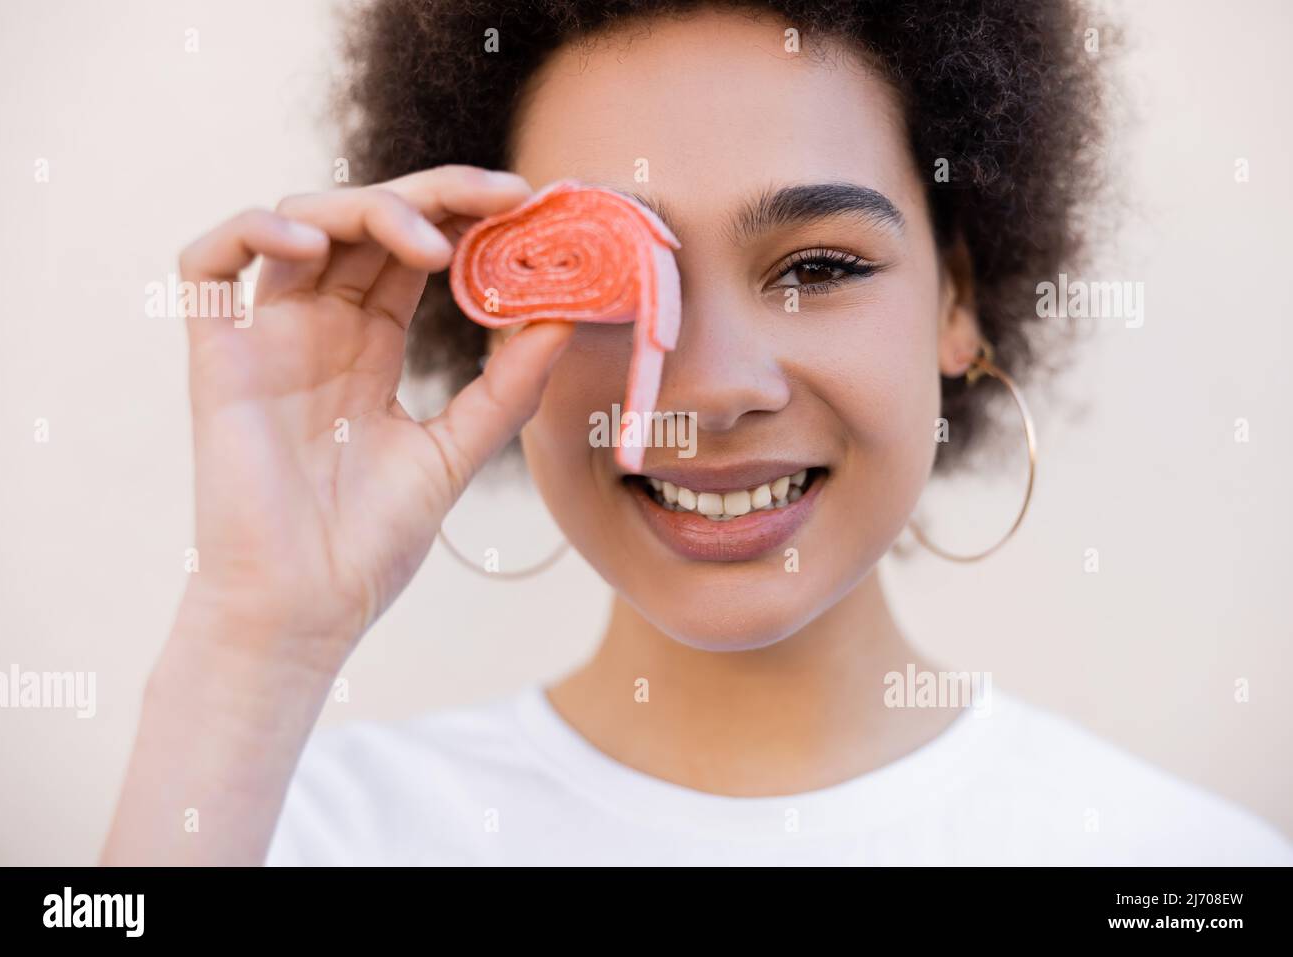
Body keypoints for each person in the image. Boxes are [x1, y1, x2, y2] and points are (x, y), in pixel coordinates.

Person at [102, 0, 1292, 865]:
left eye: (817, 265)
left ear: (953, 297)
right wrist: (252, 641)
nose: (713, 386)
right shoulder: (276, 828)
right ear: (488, 317)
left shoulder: (1182, 864)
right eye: (603, 278)